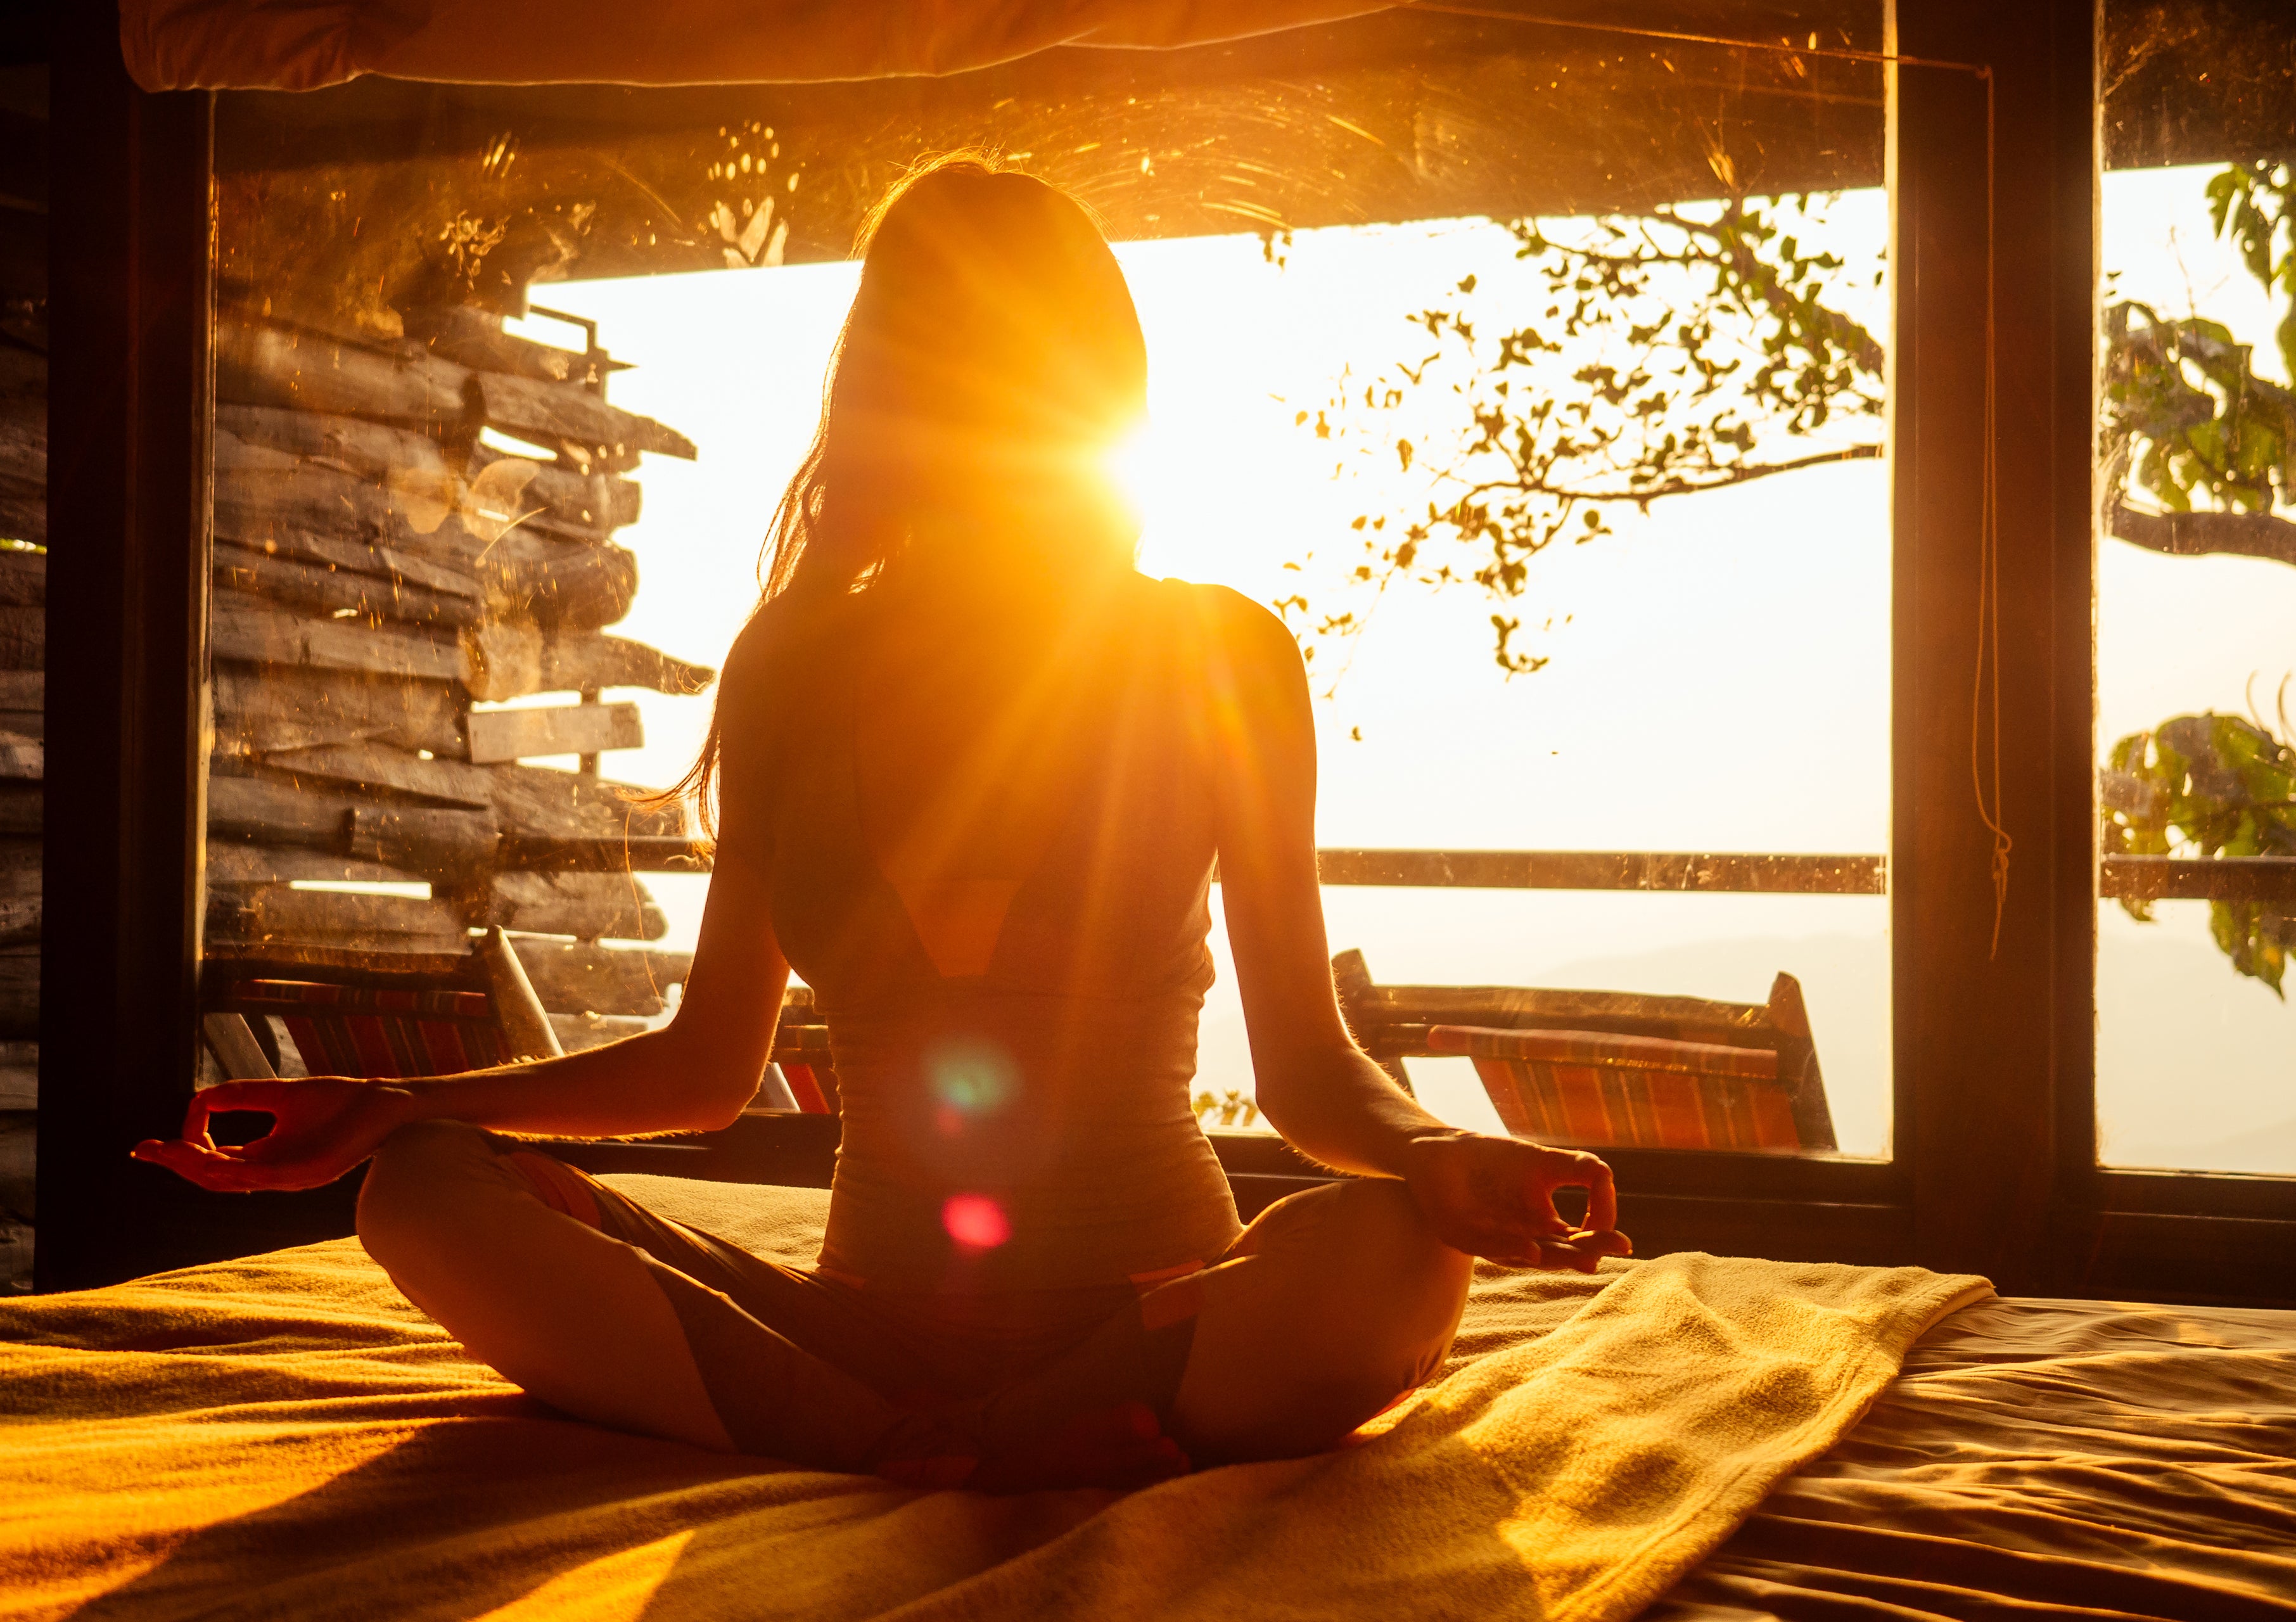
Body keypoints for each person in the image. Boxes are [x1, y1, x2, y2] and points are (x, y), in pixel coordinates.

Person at [137, 157, 1630, 1491]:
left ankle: (926, 1439)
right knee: (427, 1189)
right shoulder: (794, 660)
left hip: (1160, 1309)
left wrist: (1440, 1152)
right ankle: (940, 1440)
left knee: (1393, 1252)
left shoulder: (1218, 654)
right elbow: (708, 1064)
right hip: (853, 1328)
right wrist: (403, 1107)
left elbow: (1309, 1073)